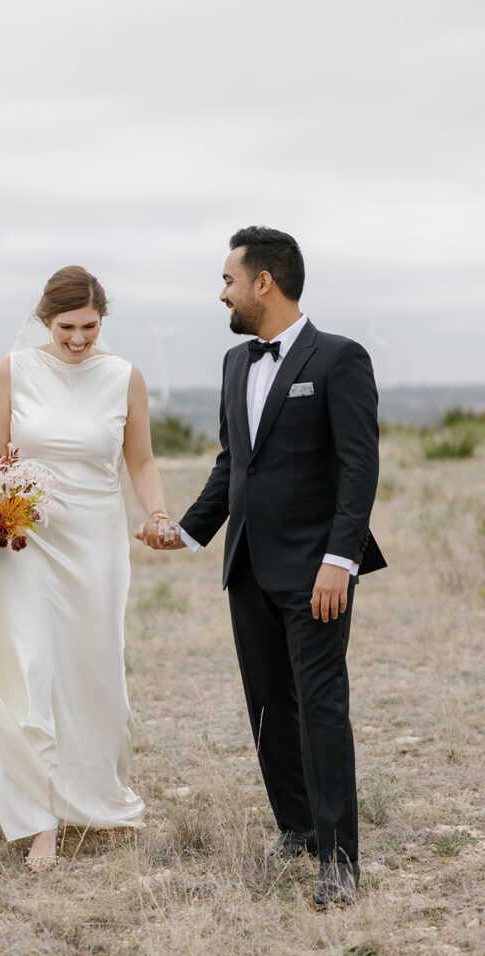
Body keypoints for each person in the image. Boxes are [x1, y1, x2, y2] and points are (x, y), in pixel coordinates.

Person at [139, 227, 386, 907]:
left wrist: (340, 559)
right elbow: (232, 464)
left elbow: (358, 467)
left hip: (316, 571)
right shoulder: (233, 364)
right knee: (269, 707)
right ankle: (296, 827)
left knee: (320, 707)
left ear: (262, 283)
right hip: (246, 563)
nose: (220, 291)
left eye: (226, 279)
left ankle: (338, 860)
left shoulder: (339, 358)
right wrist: (187, 534)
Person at [0, 266, 172, 871]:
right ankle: (38, 820)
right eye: (67, 327)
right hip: (26, 541)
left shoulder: (125, 377)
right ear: (45, 321)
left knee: (92, 670)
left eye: (90, 327)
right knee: (32, 667)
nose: (79, 339)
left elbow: (142, 458)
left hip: (97, 543)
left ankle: (96, 798)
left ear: (103, 321)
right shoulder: (12, 371)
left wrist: (156, 511)